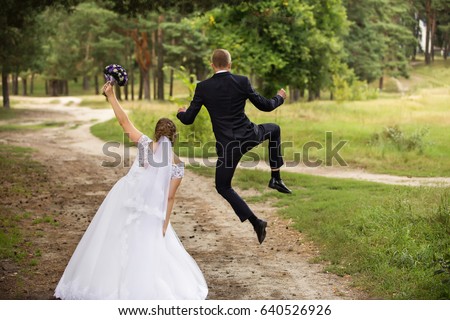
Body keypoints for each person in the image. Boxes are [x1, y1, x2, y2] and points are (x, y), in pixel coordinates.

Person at [54, 82, 208, 300]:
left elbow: (123, 121)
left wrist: (111, 95)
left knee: (115, 242)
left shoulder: (145, 144)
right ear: (174, 138)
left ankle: (110, 283)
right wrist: (163, 225)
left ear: (155, 133)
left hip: (126, 200)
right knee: (146, 248)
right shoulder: (177, 166)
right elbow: (170, 197)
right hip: (153, 211)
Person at [177, 49, 291, 245]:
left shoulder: (203, 87)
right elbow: (265, 106)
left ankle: (256, 222)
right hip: (249, 135)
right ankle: (276, 177)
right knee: (274, 129)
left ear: (212, 65)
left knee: (223, 186)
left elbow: (188, 120)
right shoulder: (242, 81)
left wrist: (181, 112)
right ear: (230, 65)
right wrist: (279, 97)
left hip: (229, 146)